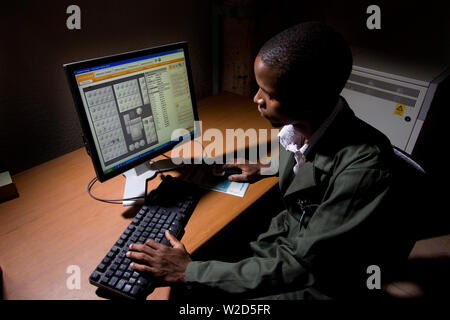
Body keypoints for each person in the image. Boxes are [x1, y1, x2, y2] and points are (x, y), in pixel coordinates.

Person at [126, 22, 416, 299]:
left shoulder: (366, 170)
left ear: (311, 98)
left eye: (270, 94)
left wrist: (190, 272)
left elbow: (304, 267)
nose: (256, 99)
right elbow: (312, 162)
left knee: (192, 297)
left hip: (320, 279)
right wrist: (265, 167)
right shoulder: (305, 127)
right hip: (288, 239)